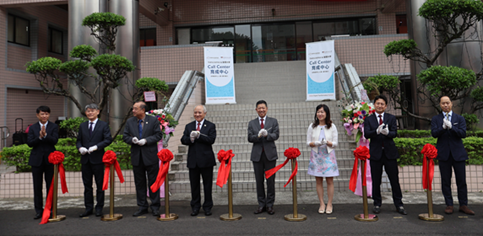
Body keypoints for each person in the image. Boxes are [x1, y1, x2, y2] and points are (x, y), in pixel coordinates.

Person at [364, 95, 407, 215]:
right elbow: (367, 134)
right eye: (377, 103)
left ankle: (399, 204)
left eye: (382, 104)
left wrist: (388, 133)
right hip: (375, 154)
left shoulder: (391, 118)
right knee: (376, 180)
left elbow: (394, 133)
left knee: (394, 180)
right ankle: (377, 203)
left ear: (386, 106)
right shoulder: (369, 119)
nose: (380, 106)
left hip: (390, 154)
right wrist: (376, 132)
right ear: (374, 105)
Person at [431, 96, 474, 215]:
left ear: (451, 104)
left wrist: (452, 127)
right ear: (440, 104)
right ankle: (449, 204)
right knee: (445, 181)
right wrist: (443, 128)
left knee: (461, 181)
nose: (445, 105)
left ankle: (463, 204)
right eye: (443, 103)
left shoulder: (459, 118)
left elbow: (463, 133)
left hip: (458, 154)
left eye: (447, 103)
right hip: (444, 154)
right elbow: (434, 134)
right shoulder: (436, 119)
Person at [123, 101, 163, 217]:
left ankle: (155, 206)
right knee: (139, 183)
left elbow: (158, 135)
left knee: (153, 182)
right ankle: (142, 206)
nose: (133, 111)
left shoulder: (153, 120)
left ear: (142, 110)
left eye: (135, 109)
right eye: (133, 108)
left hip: (150, 156)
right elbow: (125, 136)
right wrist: (132, 140)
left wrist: (146, 140)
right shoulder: (130, 121)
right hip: (137, 157)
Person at [76, 104, 113, 217]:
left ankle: (99, 208)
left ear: (98, 112)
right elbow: (78, 140)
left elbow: (108, 139)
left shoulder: (103, 125)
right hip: (85, 160)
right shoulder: (82, 126)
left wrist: (97, 147)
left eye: (92, 111)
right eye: (88, 111)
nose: (90, 113)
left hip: (98, 159)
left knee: (99, 185)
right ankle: (88, 208)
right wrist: (80, 148)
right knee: (87, 185)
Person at [180, 105, 217, 216]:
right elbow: (183, 140)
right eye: (195, 112)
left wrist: (199, 136)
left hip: (206, 160)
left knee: (207, 185)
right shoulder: (189, 126)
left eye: (199, 112)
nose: (197, 114)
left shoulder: (210, 125)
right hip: (193, 160)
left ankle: (207, 206)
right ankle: (195, 206)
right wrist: (191, 138)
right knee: (194, 185)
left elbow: (211, 140)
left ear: (204, 113)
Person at [248, 100, 279, 215]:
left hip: (270, 155)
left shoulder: (273, 121)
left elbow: (276, 135)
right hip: (257, 156)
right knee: (259, 181)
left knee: (270, 181)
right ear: (256, 110)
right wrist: (258, 135)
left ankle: (270, 205)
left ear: (266, 109)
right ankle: (261, 204)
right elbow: (249, 138)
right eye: (259, 108)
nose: (261, 110)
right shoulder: (252, 123)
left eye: (263, 108)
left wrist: (267, 135)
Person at [27, 106, 59, 220]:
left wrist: (45, 136)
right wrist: (39, 138)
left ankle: (50, 209)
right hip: (36, 161)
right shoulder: (33, 128)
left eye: (46, 114)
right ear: (37, 115)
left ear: (49, 115)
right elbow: (29, 143)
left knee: (50, 186)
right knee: (37, 187)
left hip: (50, 160)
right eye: (42, 114)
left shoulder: (54, 126)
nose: (44, 116)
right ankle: (39, 211)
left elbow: (55, 140)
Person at [306, 104, 339, 214]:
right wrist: (316, 143)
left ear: (326, 113)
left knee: (330, 181)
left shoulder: (332, 126)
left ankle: (329, 203)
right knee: (318, 181)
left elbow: (335, 143)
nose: (320, 114)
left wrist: (328, 143)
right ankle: (321, 203)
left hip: (329, 155)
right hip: (316, 155)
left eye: (322, 112)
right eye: (318, 112)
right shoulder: (312, 126)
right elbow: (308, 142)